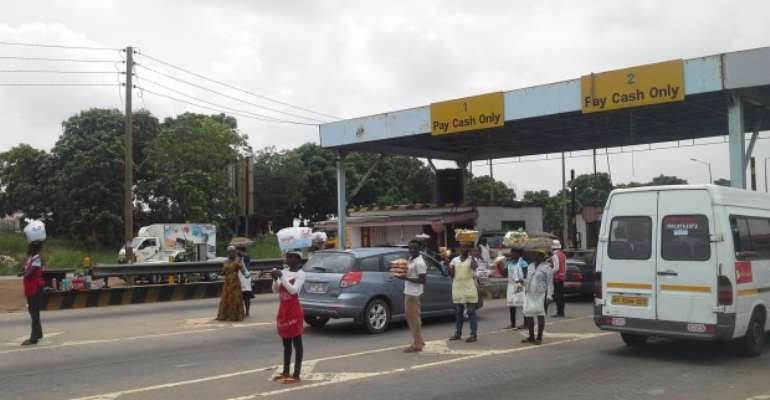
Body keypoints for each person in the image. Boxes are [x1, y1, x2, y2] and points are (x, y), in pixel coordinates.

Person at [272, 250, 306, 384]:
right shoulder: (284, 271)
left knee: (297, 343)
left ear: (298, 259)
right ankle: (286, 370)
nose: (288, 259)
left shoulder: (301, 274)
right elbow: (275, 290)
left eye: (291, 257)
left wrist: (282, 277)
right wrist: (275, 279)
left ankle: (296, 373)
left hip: (294, 311)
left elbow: (293, 290)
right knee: (286, 343)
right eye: (287, 256)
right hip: (283, 310)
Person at [397, 240, 428, 353]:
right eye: (410, 248)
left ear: (419, 249)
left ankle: (417, 344)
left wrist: (405, 278)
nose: (411, 250)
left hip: (414, 294)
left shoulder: (420, 262)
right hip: (409, 291)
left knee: (413, 318)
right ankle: (419, 340)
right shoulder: (411, 259)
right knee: (413, 317)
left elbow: (423, 280)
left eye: (414, 248)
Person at [522, 249, 554, 345]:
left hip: (541, 294)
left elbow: (550, 283)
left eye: (536, 255)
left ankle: (539, 337)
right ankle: (531, 336)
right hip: (530, 293)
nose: (534, 257)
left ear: (542, 256)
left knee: (540, 315)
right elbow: (528, 279)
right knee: (528, 315)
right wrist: (522, 282)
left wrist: (549, 296)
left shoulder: (547, 267)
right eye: (533, 255)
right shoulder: (530, 266)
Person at [448, 243, 479, 343]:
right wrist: (448, 265)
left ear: (469, 250)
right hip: (458, 286)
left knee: (471, 311)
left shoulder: (472, 260)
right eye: (463, 247)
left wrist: (473, 256)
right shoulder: (455, 260)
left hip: (469, 286)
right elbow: (452, 274)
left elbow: (474, 267)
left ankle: (473, 334)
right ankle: (458, 333)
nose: (464, 249)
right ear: (459, 249)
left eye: (467, 248)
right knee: (459, 312)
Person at [19, 241, 45, 346]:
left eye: (29, 248)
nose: (27, 250)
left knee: (34, 312)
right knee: (32, 311)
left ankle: (33, 338)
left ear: (34, 249)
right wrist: (23, 269)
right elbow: (26, 269)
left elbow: (29, 273)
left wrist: (23, 272)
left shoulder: (37, 259)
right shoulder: (32, 259)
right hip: (30, 288)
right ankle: (38, 334)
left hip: (36, 288)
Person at [217, 246, 246, 322]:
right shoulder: (225, 262)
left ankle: (235, 316)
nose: (231, 253)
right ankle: (225, 315)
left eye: (233, 251)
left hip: (235, 282)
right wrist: (221, 273)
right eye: (230, 252)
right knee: (225, 299)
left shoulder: (237, 261)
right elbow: (223, 270)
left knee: (235, 299)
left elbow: (242, 269)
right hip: (227, 282)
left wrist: (246, 274)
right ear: (227, 253)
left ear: (235, 252)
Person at [504, 248, 528, 330]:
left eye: (514, 253)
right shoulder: (510, 262)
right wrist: (504, 264)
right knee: (511, 305)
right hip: (510, 285)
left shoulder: (523, 263)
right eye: (512, 253)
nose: (512, 255)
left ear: (519, 254)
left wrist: (521, 283)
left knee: (522, 304)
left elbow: (525, 275)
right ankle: (513, 323)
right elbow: (504, 273)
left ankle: (526, 323)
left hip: (519, 285)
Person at [551, 241, 567, 318]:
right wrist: (563, 274)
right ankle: (562, 312)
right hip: (562, 277)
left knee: (557, 296)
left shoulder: (555, 255)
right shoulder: (563, 254)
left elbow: (556, 267)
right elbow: (565, 266)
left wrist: (550, 272)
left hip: (557, 278)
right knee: (561, 296)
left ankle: (559, 312)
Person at [237, 246, 254, 317]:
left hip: (245, 278)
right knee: (240, 297)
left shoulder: (246, 257)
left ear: (241, 251)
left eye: (238, 251)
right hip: (240, 278)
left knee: (246, 296)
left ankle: (247, 312)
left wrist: (240, 258)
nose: (237, 252)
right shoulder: (239, 257)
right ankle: (242, 311)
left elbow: (245, 267)